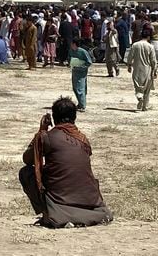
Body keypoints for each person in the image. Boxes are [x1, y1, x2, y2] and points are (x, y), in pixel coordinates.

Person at [19, 97, 113, 228]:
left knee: (26, 172)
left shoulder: (48, 137)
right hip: (90, 201)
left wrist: (41, 131)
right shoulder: (83, 139)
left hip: (60, 200)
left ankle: (48, 214)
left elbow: (27, 160)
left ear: (54, 117)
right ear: (74, 117)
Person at [127, 27, 158, 111]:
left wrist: (129, 65)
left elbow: (130, 57)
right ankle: (145, 106)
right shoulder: (150, 46)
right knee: (147, 90)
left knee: (138, 87)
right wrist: (155, 70)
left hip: (137, 69)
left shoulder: (135, 45)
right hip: (147, 69)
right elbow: (153, 60)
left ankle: (139, 97)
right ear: (148, 37)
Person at [68, 40, 92, 112]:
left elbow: (89, 62)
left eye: (72, 44)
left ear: (75, 44)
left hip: (81, 72)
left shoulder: (83, 52)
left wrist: (81, 67)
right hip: (74, 71)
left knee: (80, 88)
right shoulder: (71, 51)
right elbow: (69, 58)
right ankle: (80, 103)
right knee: (75, 88)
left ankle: (83, 105)